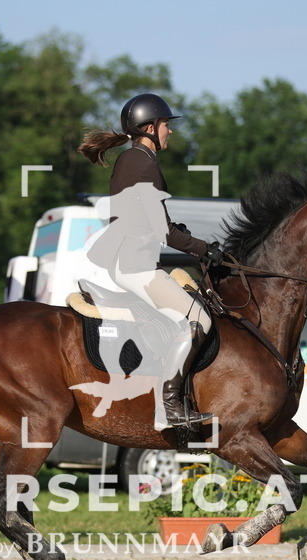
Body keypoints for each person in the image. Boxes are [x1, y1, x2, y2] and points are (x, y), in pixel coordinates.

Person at [78, 93, 223, 430]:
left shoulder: (133, 159)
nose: (169, 132)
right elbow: (166, 232)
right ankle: (169, 408)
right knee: (198, 320)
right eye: (166, 125)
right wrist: (205, 249)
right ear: (149, 126)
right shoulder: (143, 162)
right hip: (135, 266)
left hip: (128, 260)